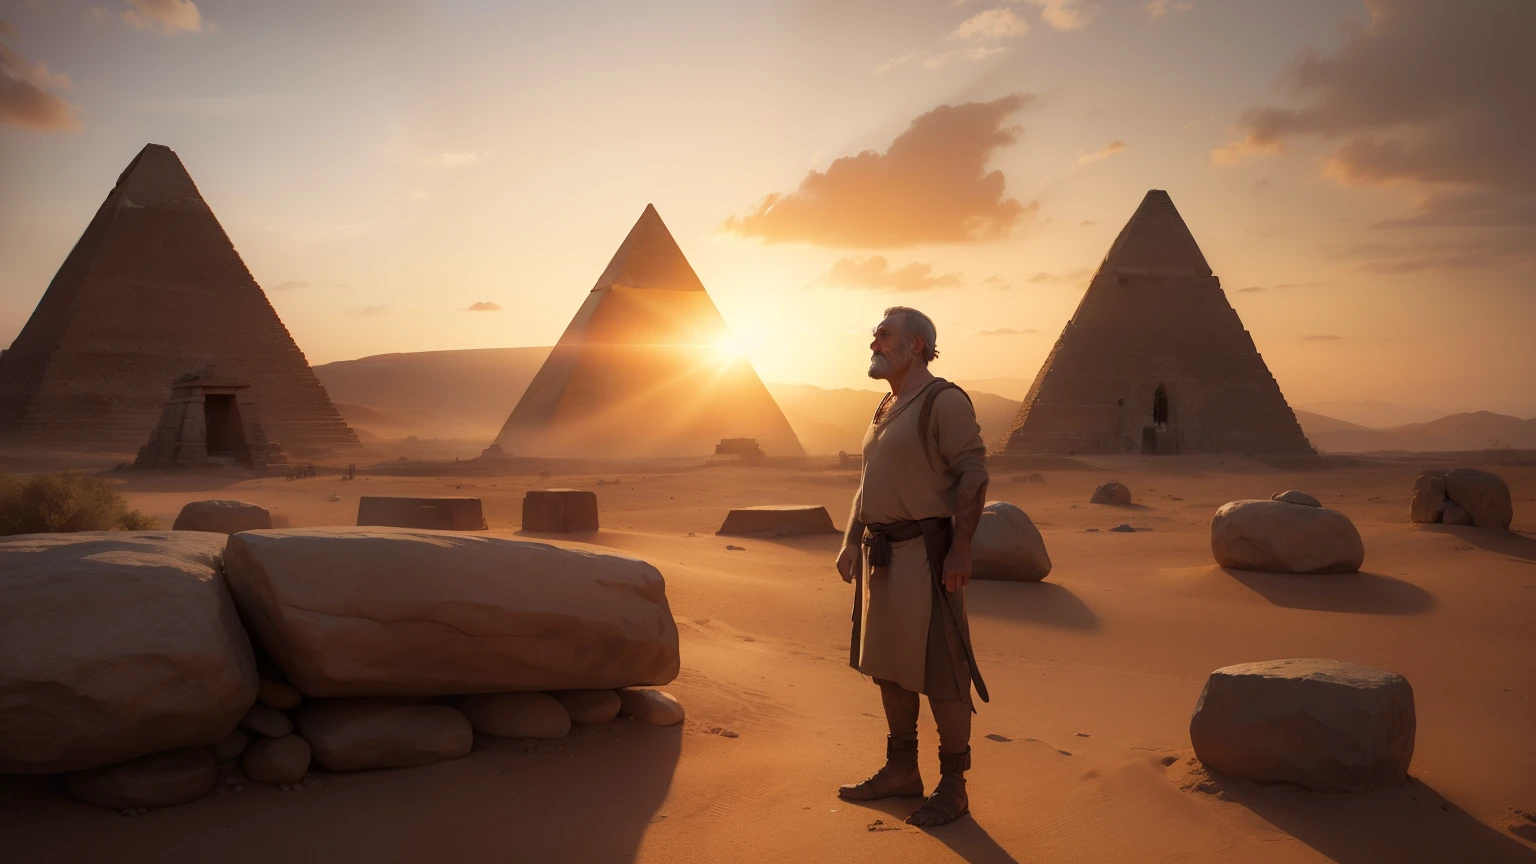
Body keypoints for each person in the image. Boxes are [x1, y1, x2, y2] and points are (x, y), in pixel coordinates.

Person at [835, 306, 989, 827]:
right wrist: (852, 539)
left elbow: (973, 473)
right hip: (882, 558)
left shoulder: (943, 401)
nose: (873, 341)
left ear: (916, 344)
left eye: (884, 334)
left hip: (927, 558)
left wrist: (961, 548)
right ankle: (902, 770)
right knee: (889, 669)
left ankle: (954, 785)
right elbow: (868, 481)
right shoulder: (885, 407)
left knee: (943, 673)